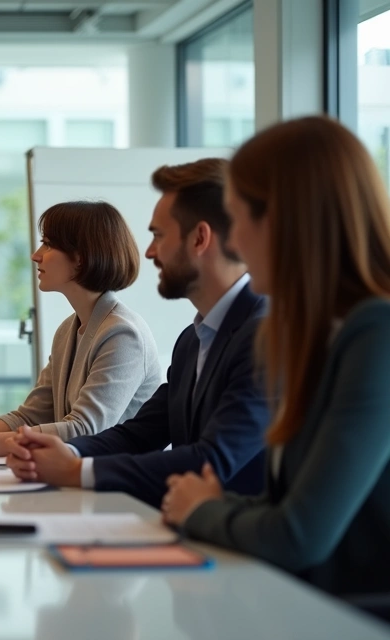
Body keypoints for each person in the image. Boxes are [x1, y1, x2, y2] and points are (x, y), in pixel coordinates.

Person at [161, 117, 390, 597]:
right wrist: (215, 505)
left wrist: (203, 509)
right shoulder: (315, 333)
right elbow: (283, 505)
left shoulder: (377, 333)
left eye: (240, 217)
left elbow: (298, 534)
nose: (235, 242)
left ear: (287, 220)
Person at [4, 159, 269, 507]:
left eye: (158, 235)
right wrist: (65, 451)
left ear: (200, 238)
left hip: (245, 551)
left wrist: (74, 470)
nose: (149, 251)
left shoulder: (266, 335)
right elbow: (139, 433)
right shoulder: (193, 341)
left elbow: (211, 461)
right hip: (196, 532)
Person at [0, 201, 160, 457]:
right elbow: (30, 416)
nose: (36, 255)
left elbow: (85, 430)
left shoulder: (123, 334)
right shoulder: (68, 330)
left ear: (81, 258)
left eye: (49, 244)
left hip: (118, 489)